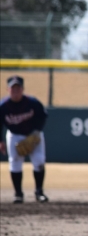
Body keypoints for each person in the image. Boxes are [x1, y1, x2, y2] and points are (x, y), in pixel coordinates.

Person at [0, 76, 49, 204]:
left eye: (18, 88)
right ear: (8, 89)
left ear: (23, 89)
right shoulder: (3, 106)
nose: (15, 91)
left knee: (39, 161)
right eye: (13, 88)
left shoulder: (32, 102)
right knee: (15, 162)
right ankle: (18, 194)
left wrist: (37, 131)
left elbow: (43, 116)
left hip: (33, 135)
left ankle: (39, 192)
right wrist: (0, 141)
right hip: (14, 135)